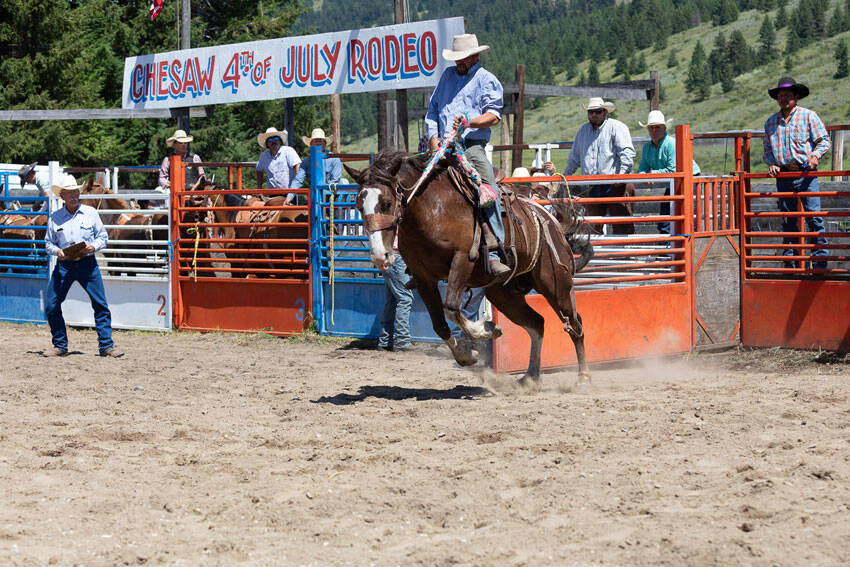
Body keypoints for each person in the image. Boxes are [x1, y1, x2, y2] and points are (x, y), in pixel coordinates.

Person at [424, 33, 510, 276]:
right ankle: (420, 255)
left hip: (470, 147)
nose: (458, 63)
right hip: (442, 147)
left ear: (474, 56)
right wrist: (433, 138)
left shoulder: (486, 80)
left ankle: (496, 249)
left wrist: (469, 123)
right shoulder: (447, 77)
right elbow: (433, 111)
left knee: (488, 189)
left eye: (462, 59)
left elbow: (493, 115)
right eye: (457, 59)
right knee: (417, 186)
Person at [44, 174, 121, 357]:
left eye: (76, 191)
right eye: (69, 192)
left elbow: (103, 237)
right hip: (65, 265)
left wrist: (92, 246)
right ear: (62, 196)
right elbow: (48, 244)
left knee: (100, 304)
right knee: (51, 305)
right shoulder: (54, 218)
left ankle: (106, 346)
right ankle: (60, 345)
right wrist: (58, 252)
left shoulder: (91, 213)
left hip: (88, 263)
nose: (74, 195)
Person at [763, 77, 830, 270]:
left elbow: (823, 140)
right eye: (781, 96)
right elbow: (767, 149)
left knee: (813, 216)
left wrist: (815, 156)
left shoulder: (808, 116)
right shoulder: (770, 123)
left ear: (796, 97)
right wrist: (772, 163)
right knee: (788, 218)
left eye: (787, 96)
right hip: (783, 175)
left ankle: (819, 262)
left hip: (806, 173)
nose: (783, 99)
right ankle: (791, 263)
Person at [543, 97, 636, 234]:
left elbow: (627, 154)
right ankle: (597, 253)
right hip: (593, 184)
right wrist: (564, 178)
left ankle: (626, 252)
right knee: (592, 223)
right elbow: (574, 159)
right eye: (591, 112)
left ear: (604, 112)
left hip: (615, 183)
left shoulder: (616, 127)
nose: (594, 114)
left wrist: (620, 177)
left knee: (621, 221)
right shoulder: (583, 131)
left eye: (597, 111)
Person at [636, 110, 701, 235]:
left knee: (685, 218)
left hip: (688, 181)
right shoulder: (647, 147)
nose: (654, 130)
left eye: (657, 127)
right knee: (666, 219)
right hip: (673, 183)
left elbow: (673, 170)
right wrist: (643, 176)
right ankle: (668, 251)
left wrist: (651, 174)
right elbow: (642, 169)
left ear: (664, 128)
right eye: (651, 128)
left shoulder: (671, 144)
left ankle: (682, 250)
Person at [377, 234, 414, 352]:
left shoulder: (378, 218)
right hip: (396, 255)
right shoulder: (391, 217)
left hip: (387, 255)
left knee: (392, 300)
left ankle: (385, 340)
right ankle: (402, 341)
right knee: (405, 298)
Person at [256, 127, 301, 205]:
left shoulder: (288, 151)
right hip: (273, 194)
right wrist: (259, 188)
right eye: (270, 140)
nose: (273, 141)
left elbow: (298, 166)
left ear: (280, 141)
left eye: (276, 138)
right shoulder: (264, 155)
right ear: (267, 144)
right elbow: (259, 170)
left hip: (289, 193)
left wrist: (296, 187)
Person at [158, 129, 205, 193]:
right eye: (180, 143)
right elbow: (162, 178)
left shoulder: (195, 158)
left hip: (194, 194)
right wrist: (171, 185)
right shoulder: (168, 159)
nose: (183, 145)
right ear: (174, 144)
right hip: (175, 194)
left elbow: (202, 176)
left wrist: (195, 187)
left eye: (185, 143)